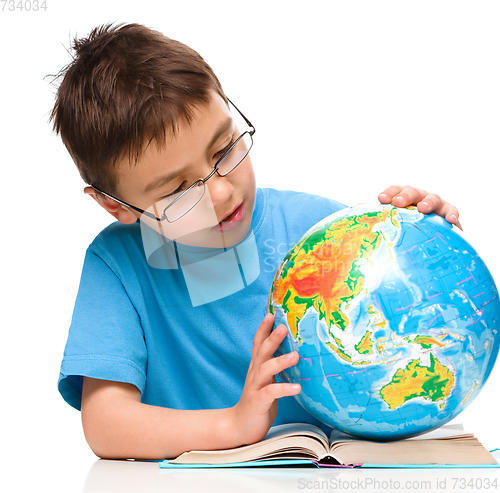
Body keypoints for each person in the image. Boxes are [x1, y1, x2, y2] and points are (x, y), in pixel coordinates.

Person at [50, 22, 461, 460]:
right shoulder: (117, 265)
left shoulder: (323, 233)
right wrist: (233, 422)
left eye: (224, 149)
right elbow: (106, 426)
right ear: (117, 206)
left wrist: (426, 245)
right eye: (177, 190)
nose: (221, 193)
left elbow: (420, 344)